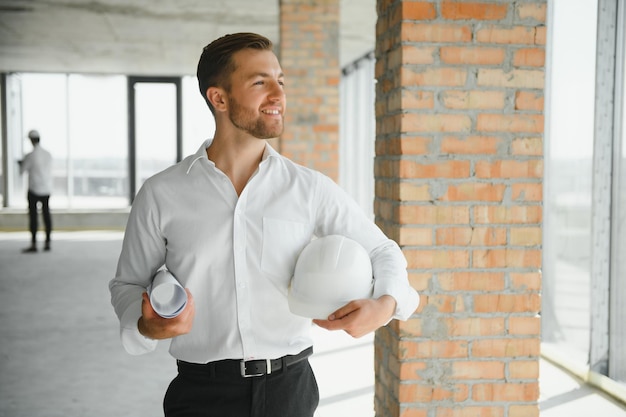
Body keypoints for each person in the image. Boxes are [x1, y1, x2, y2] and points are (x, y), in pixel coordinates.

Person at [109, 32, 419, 417]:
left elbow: (382, 250)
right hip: (200, 396)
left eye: (281, 81)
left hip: (289, 392)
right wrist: (145, 327)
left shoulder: (309, 188)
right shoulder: (161, 193)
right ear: (218, 98)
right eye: (260, 82)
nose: (278, 94)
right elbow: (128, 284)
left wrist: (385, 305)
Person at [18, 129, 53, 252]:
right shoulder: (48, 154)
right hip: (46, 189)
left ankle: (33, 244)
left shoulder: (30, 156)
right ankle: (47, 242)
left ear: (31, 140)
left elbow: (22, 171)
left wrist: (20, 164)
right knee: (46, 215)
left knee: (34, 217)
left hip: (34, 190)